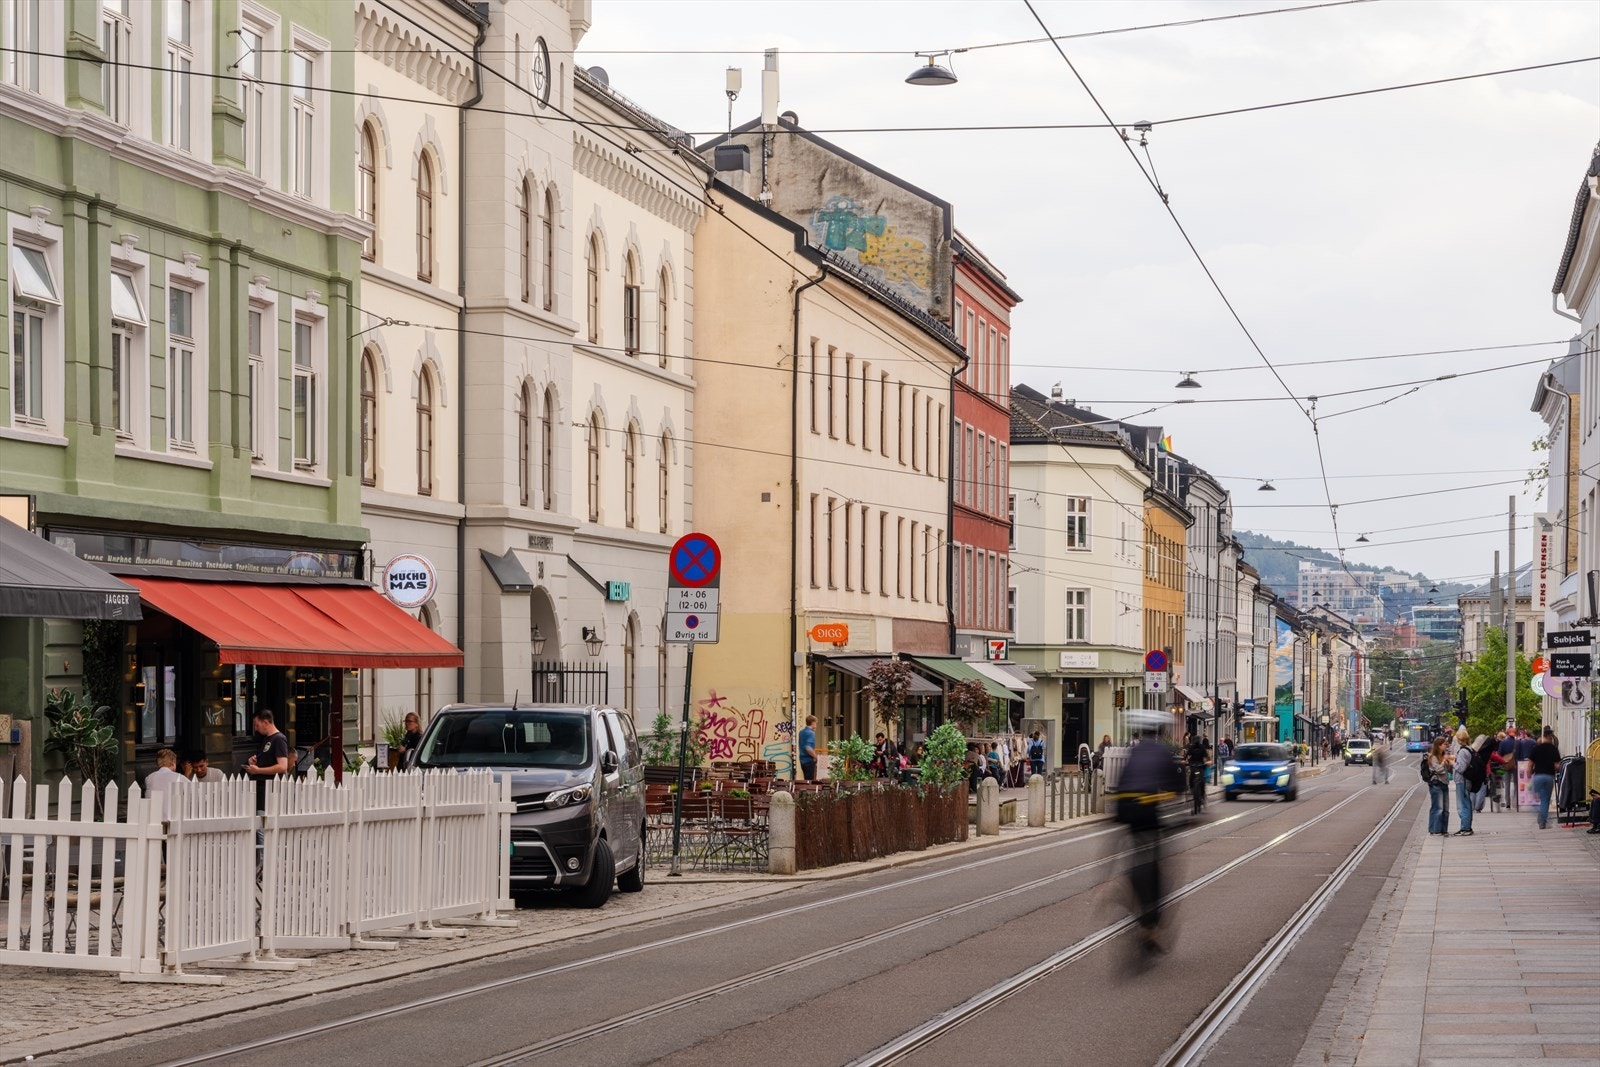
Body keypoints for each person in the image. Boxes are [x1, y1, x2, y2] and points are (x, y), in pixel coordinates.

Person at [1115, 722, 1183, 951]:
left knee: (1137, 853)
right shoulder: (1162, 751)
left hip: (1126, 809)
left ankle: (1132, 882)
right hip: (1147, 811)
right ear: (1160, 735)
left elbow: (1122, 780)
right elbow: (1177, 784)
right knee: (1156, 868)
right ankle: (1150, 924)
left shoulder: (1133, 751)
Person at [244, 709, 292, 815]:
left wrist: (258, 770)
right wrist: (254, 761)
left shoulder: (279, 739)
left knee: (263, 822)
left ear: (265, 722)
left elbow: (283, 766)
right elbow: (267, 759)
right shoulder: (266, 739)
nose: (256, 729)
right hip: (261, 788)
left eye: (257, 725)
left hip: (269, 789)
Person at [1528, 726, 1561, 830]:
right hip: (1549, 777)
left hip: (1538, 776)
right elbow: (1557, 766)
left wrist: (1529, 773)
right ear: (1551, 738)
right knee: (1545, 800)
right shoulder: (1554, 749)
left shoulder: (1536, 748)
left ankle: (1540, 814)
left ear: (1543, 737)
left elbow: (1530, 763)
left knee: (1533, 797)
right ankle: (1542, 820)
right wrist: (1556, 770)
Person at [143, 748, 187, 817]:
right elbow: (195, 791)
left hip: (152, 817)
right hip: (171, 818)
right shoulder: (178, 777)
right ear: (172, 762)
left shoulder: (149, 778)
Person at [1453, 730, 1478, 836]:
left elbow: (1461, 768)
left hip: (1462, 780)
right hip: (1465, 780)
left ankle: (1465, 828)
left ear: (1459, 739)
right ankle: (1466, 827)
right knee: (1466, 803)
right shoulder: (1469, 749)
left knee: (1463, 804)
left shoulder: (1463, 751)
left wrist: (1452, 763)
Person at [1425, 735, 1451, 835]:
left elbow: (1448, 770)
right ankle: (1435, 829)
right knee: (1438, 808)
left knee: (1445, 809)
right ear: (1439, 746)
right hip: (1436, 784)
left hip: (1444, 783)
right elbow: (1438, 769)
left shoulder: (1443, 756)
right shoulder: (1433, 758)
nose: (1446, 746)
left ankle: (1444, 829)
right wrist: (1444, 762)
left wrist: (1448, 763)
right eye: (1444, 744)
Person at [1183, 732, 1209, 814]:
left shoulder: (1202, 747)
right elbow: (1186, 756)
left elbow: (1207, 757)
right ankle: (1192, 790)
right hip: (1193, 766)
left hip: (1200, 766)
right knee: (1191, 780)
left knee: (1202, 781)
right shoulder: (1192, 747)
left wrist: (1208, 761)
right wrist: (1184, 761)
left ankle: (1202, 795)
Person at [797, 716, 818, 782]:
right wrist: (816, 757)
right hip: (809, 760)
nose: (816, 725)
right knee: (810, 781)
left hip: (802, 760)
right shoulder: (811, 733)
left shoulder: (801, 732)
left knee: (806, 780)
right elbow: (808, 748)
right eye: (816, 723)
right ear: (813, 723)